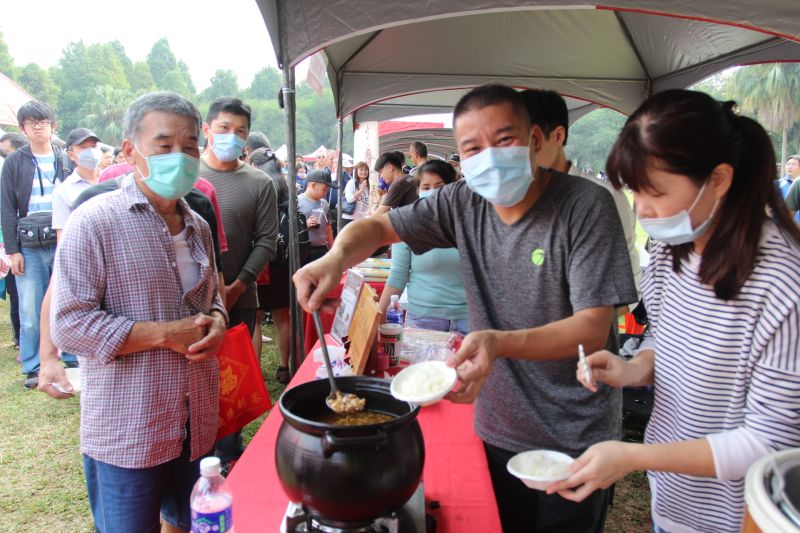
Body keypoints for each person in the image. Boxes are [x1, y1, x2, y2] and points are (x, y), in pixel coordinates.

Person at [294, 84, 636, 532]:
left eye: (504, 139)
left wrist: (497, 343)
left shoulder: (585, 205)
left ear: (535, 140)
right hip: (498, 424)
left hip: (573, 433)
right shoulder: (463, 203)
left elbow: (592, 328)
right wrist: (333, 257)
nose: (489, 156)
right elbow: (379, 228)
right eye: (472, 148)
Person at [547, 90, 800, 533]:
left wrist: (632, 456)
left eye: (655, 193)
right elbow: (667, 341)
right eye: (634, 193)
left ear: (719, 179)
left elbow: (768, 442)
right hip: (674, 498)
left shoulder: (782, 281)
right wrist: (632, 369)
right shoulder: (670, 249)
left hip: (739, 516)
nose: (641, 211)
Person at [50, 91, 228, 533]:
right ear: (130, 150)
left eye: (189, 147)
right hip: (130, 428)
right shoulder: (93, 222)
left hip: (195, 419)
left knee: (186, 523)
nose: (180, 158)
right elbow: (69, 325)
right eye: (164, 146)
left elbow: (213, 296)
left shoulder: (198, 224)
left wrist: (219, 320)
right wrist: (168, 334)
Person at [200, 97, 277, 468]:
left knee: (232, 377)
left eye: (240, 131)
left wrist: (237, 287)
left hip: (240, 297)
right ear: (207, 130)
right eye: (224, 129)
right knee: (197, 377)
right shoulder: (189, 178)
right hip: (193, 302)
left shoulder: (259, 183)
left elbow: (266, 240)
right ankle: (197, 452)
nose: (232, 137)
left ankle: (229, 450)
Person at [523, 89, 641, 300]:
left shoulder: (603, 197)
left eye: (529, 141)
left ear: (558, 136)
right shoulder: (514, 197)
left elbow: (627, 282)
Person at [1, 100, 69, 389]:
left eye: (43, 121)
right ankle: (32, 365)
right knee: (30, 308)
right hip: (28, 246)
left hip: (63, 240)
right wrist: (13, 250)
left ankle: (74, 358)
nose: (38, 126)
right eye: (31, 122)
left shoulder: (64, 158)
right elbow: (5, 207)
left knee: (69, 302)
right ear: (23, 128)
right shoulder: (15, 161)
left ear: (53, 125)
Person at [378, 160, 468, 334]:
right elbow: (398, 275)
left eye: (439, 186)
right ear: (418, 191)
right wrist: (378, 315)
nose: (433, 192)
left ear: (453, 188)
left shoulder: (470, 223)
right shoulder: (407, 224)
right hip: (424, 320)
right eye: (426, 187)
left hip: (469, 319)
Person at [247, 146, 292, 384]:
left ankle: (255, 374)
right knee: (282, 318)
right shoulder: (285, 190)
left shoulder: (253, 188)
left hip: (257, 263)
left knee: (255, 321)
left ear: (254, 166)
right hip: (281, 264)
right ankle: (284, 368)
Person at [0, 131, 26, 350]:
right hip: (11, 245)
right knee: (17, 295)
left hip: (30, 241)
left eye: (6, 153)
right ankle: (21, 339)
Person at [299, 169, 336, 262]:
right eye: (324, 189)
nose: (326, 192)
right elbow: (289, 229)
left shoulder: (325, 204)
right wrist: (304, 225)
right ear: (313, 185)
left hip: (322, 249)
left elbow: (328, 228)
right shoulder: (297, 202)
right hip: (302, 250)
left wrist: (332, 249)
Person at [372, 151, 418, 216]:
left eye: (381, 172)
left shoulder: (399, 183)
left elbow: (377, 215)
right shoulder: (409, 178)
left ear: (390, 167)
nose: (381, 176)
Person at [341, 161, 371, 229]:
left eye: (366, 170)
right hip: (349, 219)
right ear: (356, 171)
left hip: (361, 219)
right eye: (361, 169)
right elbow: (349, 199)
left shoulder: (367, 184)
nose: (364, 172)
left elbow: (365, 201)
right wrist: (361, 190)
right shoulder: (352, 182)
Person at [780, 154, 800, 221]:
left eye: (793, 164)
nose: (789, 167)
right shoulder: (778, 185)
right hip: (786, 226)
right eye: (788, 164)